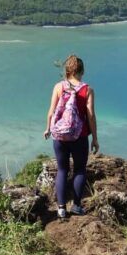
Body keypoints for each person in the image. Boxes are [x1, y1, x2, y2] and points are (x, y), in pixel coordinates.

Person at [43, 54, 99, 219]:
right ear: (82, 71)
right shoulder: (87, 89)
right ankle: (76, 205)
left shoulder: (59, 87)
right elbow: (91, 116)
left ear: (67, 70)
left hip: (59, 136)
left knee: (62, 170)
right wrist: (94, 138)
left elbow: (52, 111)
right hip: (79, 136)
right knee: (80, 169)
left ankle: (61, 208)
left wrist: (48, 128)